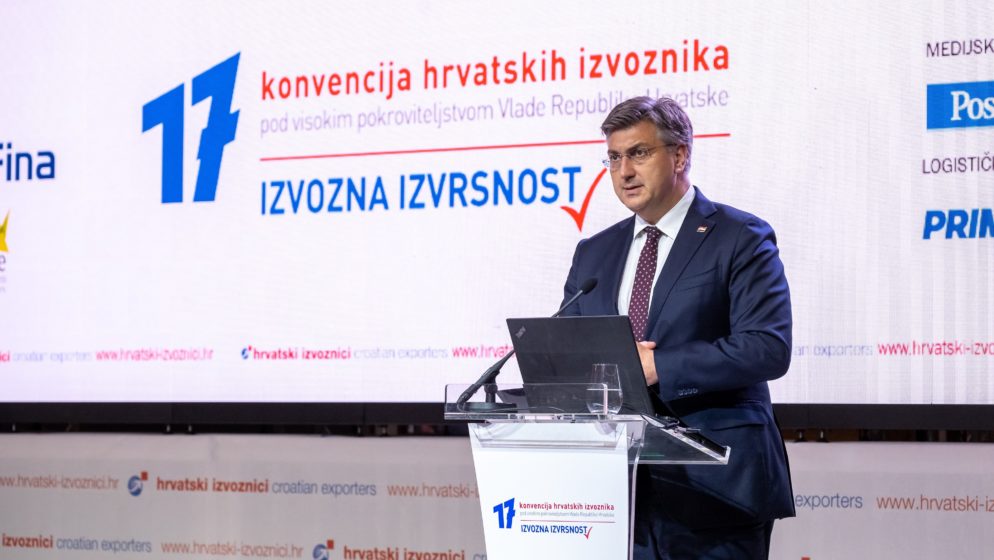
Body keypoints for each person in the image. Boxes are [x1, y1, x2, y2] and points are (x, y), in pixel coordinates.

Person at [559, 96, 795, 559]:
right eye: (614, 158)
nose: (624, 171)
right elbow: (571, 349)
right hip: (618, 495)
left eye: (638, 153)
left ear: (680, 155)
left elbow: (767, 346)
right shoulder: (594, 252)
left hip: (716, 489)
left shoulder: (740, 236)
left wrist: (658, 366)